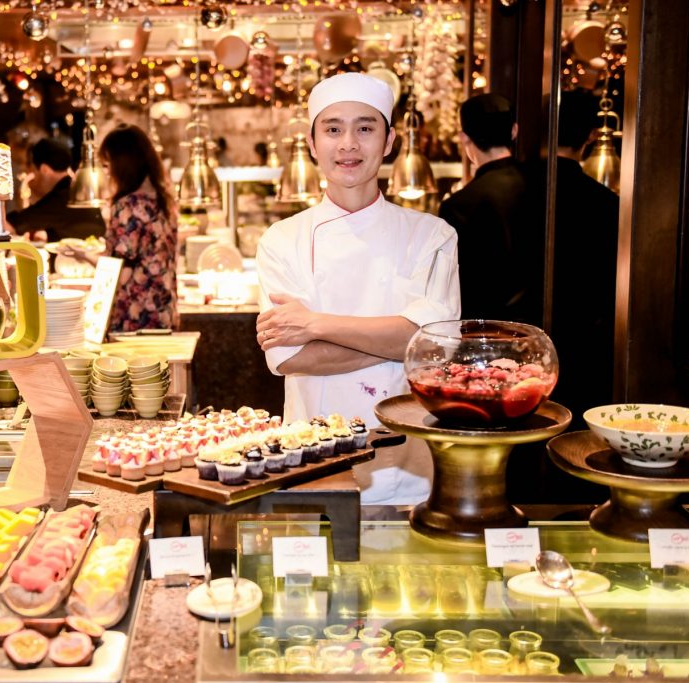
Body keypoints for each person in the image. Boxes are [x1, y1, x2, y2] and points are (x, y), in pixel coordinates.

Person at [255, 72, 460, 505]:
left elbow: (439, 349)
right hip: (312, 458)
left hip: (408, 462)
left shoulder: (432, 236)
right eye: (333, 129)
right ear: (312, 144)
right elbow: (292, 357)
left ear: (388, 142)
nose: (349, 144)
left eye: (365, 128)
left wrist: (315, 323)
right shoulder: (282, 239)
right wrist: (401, 343)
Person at [545, 89, 620, 427]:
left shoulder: (516, 190)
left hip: (517, 342)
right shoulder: (607, 202)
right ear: (592, 135)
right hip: (587, 344)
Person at [62, 124, 178, 332]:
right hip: (163, 311)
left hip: (134, 316)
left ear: (123, 165)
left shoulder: (128, 206)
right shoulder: (163, 201)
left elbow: (119, 272)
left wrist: (84, 255)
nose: (106, 173)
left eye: (107, 166)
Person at [438, 94, 541, 324]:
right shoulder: (543, 185)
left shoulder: (458, 205)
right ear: (514, 131)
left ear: (464, 138)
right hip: (543, 327)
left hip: (485, 329)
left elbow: (455, 285)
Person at [6, 138, 106, 244]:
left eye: (33, 171)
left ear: (44, 169)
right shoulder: (71, 188)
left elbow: (13, 225)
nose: (32, 177)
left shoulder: (63, 197)